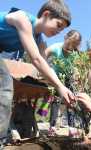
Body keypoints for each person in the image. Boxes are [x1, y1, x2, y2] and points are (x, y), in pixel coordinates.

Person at [0, 0, 73, 146]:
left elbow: (44, 65)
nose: (58, 32)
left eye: (62, 30)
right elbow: (36, 59)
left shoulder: (39, 39)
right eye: (58, 25)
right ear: (46, 15)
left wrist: (60, 86)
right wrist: (59, 86)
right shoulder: (23, 19)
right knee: (6, 86)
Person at [45, 29, 82, 137]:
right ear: (65, 38)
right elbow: (43, 55)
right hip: (57, 78)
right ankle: (52, 127)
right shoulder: (56, 47)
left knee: (71, 101)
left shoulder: (76, 53)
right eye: (70, 43)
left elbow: (77, 67)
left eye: (74, 45)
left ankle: (72, 128)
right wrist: (45, 70)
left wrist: (77, 77)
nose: (71, 47)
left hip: (69, 78)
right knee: (55, 102)